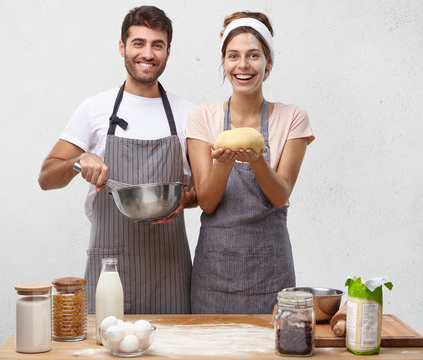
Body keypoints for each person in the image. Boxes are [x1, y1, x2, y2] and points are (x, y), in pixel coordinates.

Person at [38, 5, 196, 314]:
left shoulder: (188, 113)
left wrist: (185, 199)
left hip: (169, 268)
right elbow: (46, 177)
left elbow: (205, 191)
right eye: (139, 43)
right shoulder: (95, 108)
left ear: (167, 51)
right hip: (110, 264)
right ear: (122, 47)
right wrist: (77, 161)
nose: (147, 53)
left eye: (157, 45)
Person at [186, 11, 314, 314]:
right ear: (223, 62)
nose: (243, 65)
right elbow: (206, 201)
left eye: (253, 55)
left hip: (271, 273)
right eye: (233, 56)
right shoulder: (203, 118)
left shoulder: (293, 117)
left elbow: (281, 196)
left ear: (268, 63)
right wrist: (224, 164)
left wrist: (258, 161)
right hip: (214, 276)